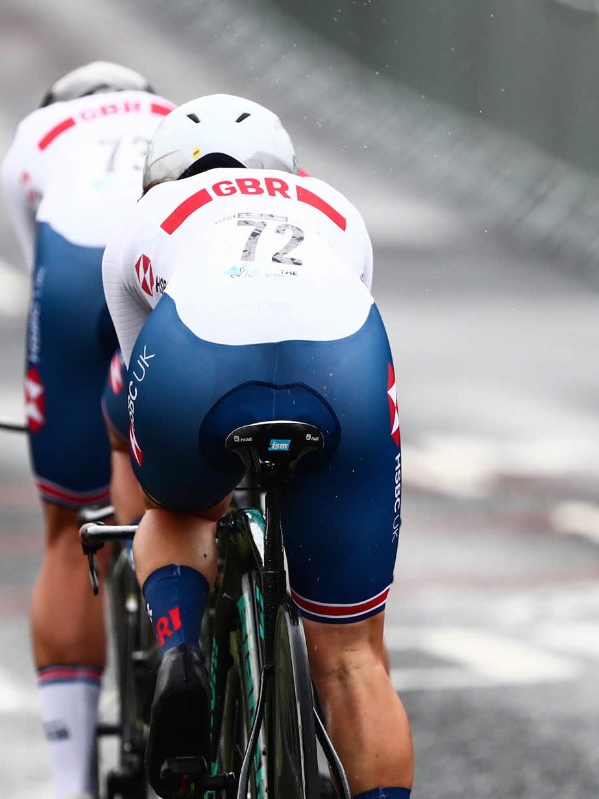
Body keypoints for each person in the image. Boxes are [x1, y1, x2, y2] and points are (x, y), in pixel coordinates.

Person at [101, 94, 413, 799]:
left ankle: (180, 647)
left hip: (196, 368)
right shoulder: (333, 207)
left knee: (174, 509)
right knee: (354, 657)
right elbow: (332, 308)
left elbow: (131, 378)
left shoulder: (144, 220)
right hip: (340, 372)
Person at [0, 61, 173, 799]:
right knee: (189, 492)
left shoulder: (36, 134)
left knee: (69, 529)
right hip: (163, 267)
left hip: (73, 276)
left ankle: (70, 785)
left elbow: (35, 265)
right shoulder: (177, 114)